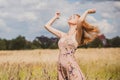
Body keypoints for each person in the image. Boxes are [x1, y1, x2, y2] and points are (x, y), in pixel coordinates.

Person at [44, 9, 100, 80]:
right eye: (70, 16)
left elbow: (80, 21)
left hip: (71, 67)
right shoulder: (63, 35)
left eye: (73, 17)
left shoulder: (77, 35)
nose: (70, 17)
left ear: (77, 22)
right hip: (61, 67)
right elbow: (47, 26)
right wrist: (55, 17)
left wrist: (87, 11)